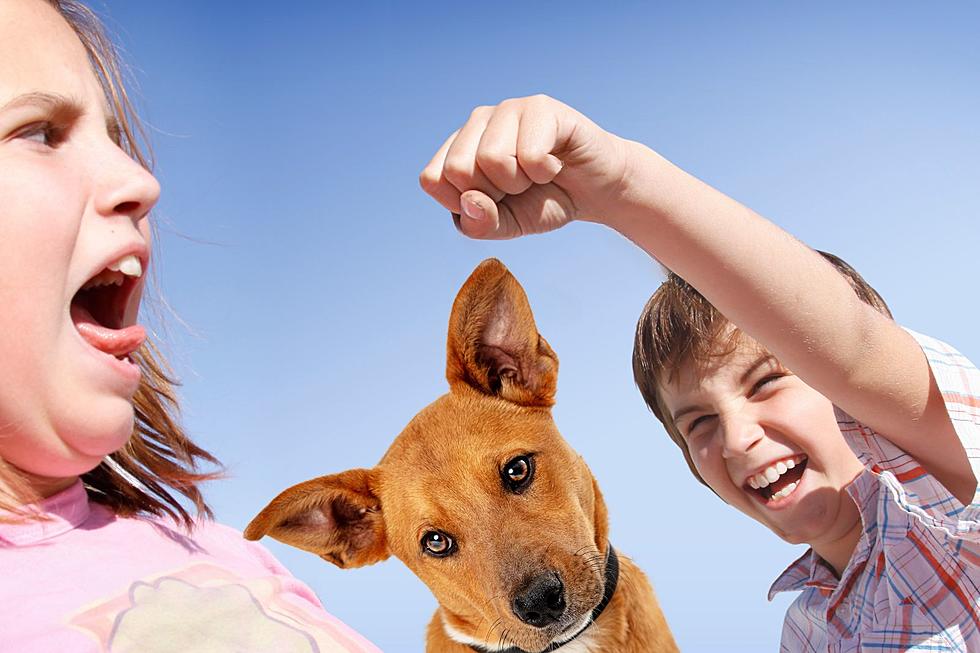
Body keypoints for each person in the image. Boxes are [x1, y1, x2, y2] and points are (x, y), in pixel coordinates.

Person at [420, 95, 980, 650]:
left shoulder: (950, 503)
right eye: (699, 424)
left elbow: (853, 349)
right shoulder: (807, 634)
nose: (737, 438)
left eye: (766, 382)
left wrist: (622, 186)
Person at [0, 2, 379, 651]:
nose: (140, 179)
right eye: (40, 131)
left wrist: (621, 196)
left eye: (115, 137)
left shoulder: (218, 554)